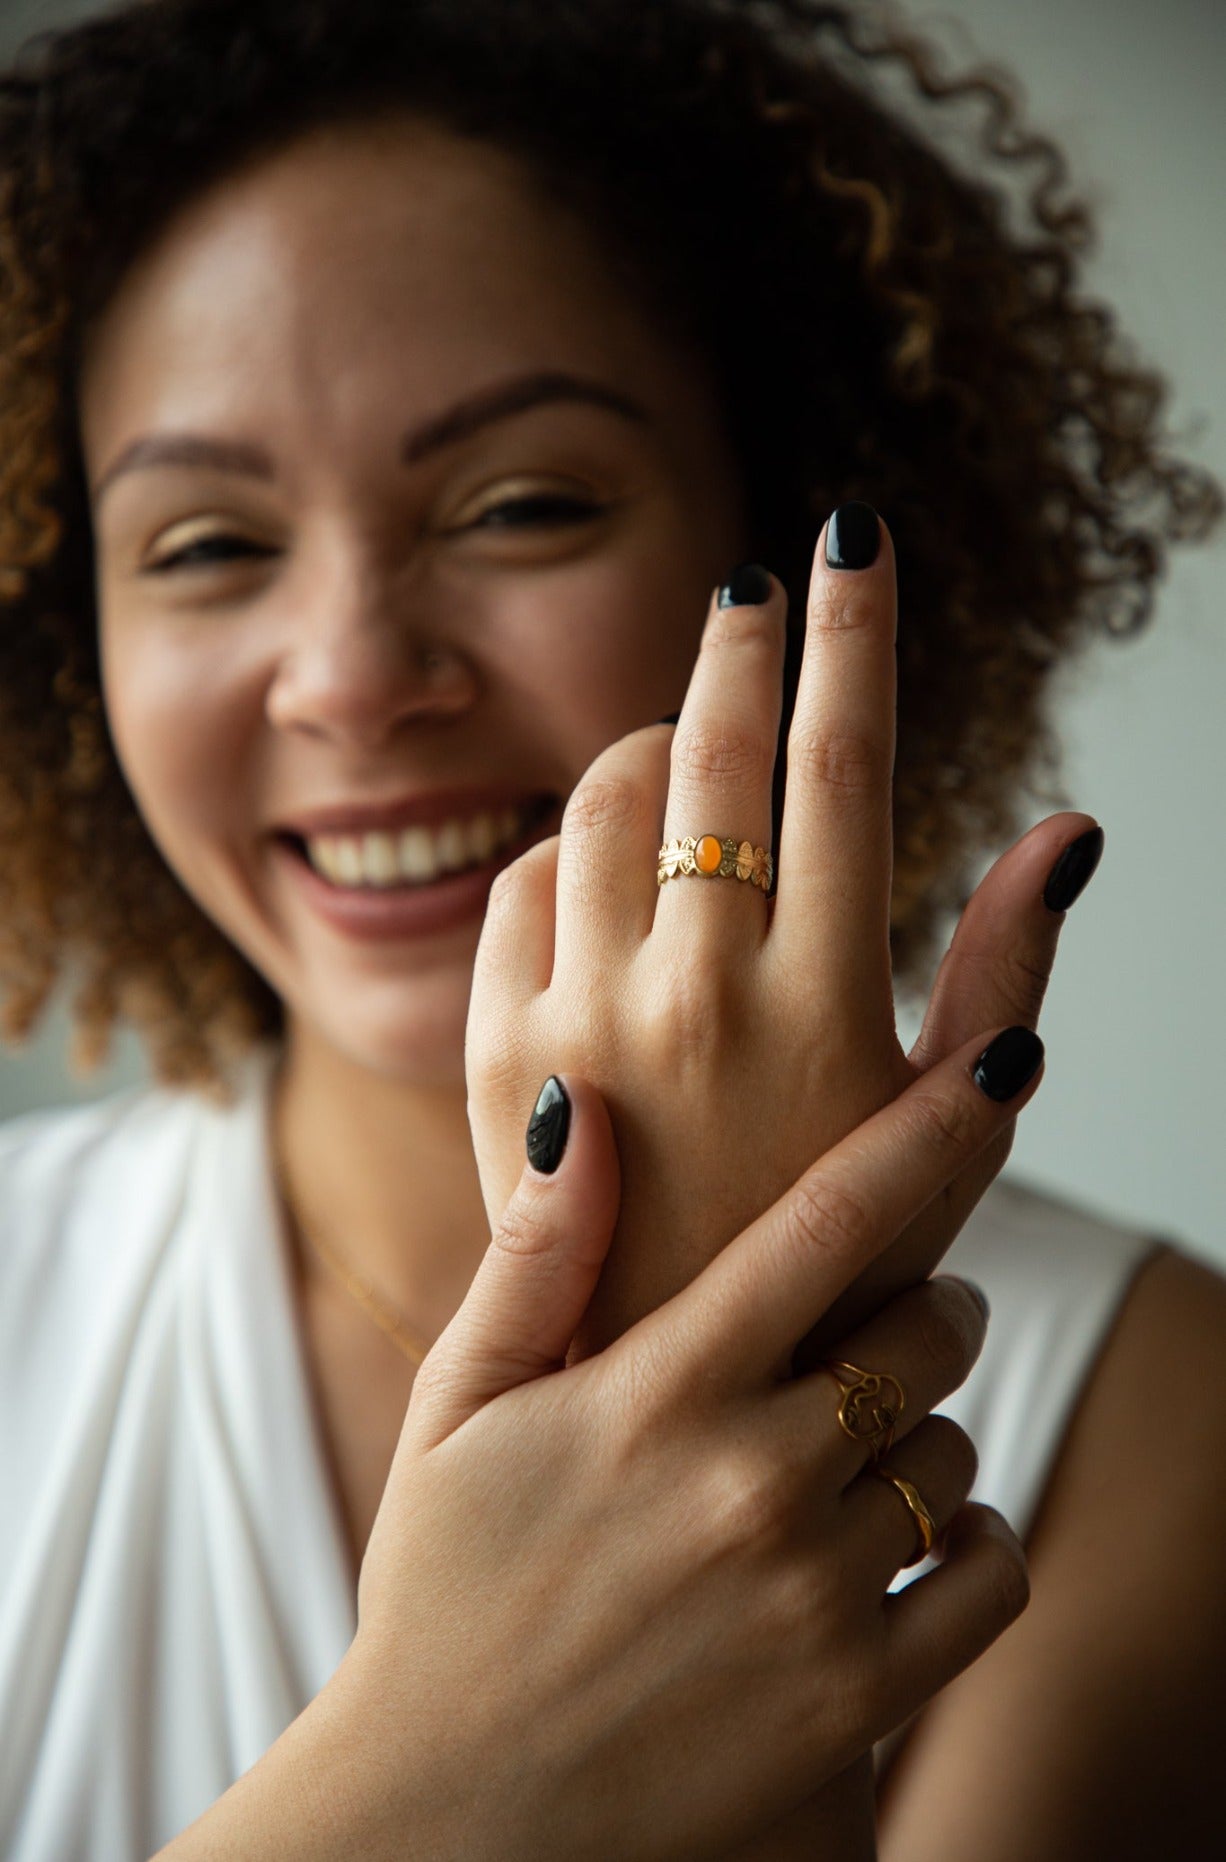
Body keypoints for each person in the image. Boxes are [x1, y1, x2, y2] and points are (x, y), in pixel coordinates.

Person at [0, 0, 1222, 1856]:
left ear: (796, 527)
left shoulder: (1151, 1403)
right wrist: (452, 1750)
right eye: (205, 545)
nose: (349, 678)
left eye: (521, 504)